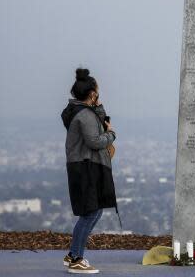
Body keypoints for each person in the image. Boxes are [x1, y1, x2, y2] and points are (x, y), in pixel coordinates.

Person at [60, 68, 118, 274]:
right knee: (90, 212)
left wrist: (99, 106)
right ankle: (76, 258)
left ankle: (73, 254)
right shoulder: (84, 115)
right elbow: (94, 141)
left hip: (84, 166)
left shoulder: (82, 111)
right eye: (97, 92)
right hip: (84, 167)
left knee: (95, 210)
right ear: (92, 93)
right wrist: (111, 135)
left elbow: (95, 122)